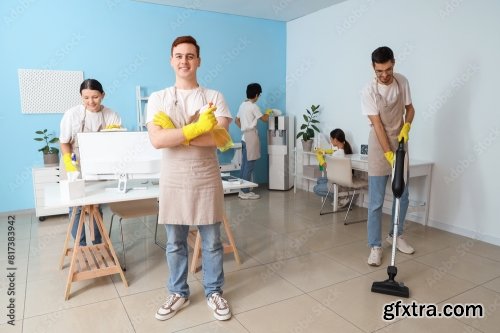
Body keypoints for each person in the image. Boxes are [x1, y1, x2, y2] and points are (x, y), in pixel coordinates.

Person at [146, 36, 233, 321]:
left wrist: (178, 134)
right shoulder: (158, 98)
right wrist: (196, 129)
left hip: (206, 177)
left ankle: (214, 291)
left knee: (211, 242)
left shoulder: (215, 97)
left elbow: (219, 139)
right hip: (173, 178)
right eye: (179, 56)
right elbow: (157, 140)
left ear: (199, 60)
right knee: (175, 242)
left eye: (190, 56)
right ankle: (178, 292)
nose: (184, 61)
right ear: (171, 60)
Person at [361, 46, 415, 266]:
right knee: (375, 201)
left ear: (394, 62)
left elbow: (410, 109)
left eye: (388, 69)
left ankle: (396, 235)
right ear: (373, 68)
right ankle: (375, 246)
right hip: (378, 146)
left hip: (401, 142)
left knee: (403, 196)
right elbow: (377, 125)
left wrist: (407, 127)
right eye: (379, 71)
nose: (384, 75)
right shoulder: (368, 90)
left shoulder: (402, 82)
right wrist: (389, 154)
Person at [59, 79, 122, 246]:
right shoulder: (72, 114)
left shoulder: (111, 115)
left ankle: (98, 244)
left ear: (102, 95)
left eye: (94, 97)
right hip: (73, 159)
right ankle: (80, 245)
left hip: (97, 162)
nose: (90, 102)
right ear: (81, 97)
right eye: (85, 97)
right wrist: (71, 166)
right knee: (76, 208)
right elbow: (64, 142)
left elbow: (116, 143)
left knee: (96, 205)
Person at [235, 83, 272, 199]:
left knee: (244, 165)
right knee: (249, 165)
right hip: (251, 137)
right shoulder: (253, 106)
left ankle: (242, 190)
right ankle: (245, 192)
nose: (258, 97)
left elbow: (236, 120)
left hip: (244, 137)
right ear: (256, 94)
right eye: (259, 95)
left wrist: (244, 128)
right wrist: (268, 112)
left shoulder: (242, 105)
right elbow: (265, 120)